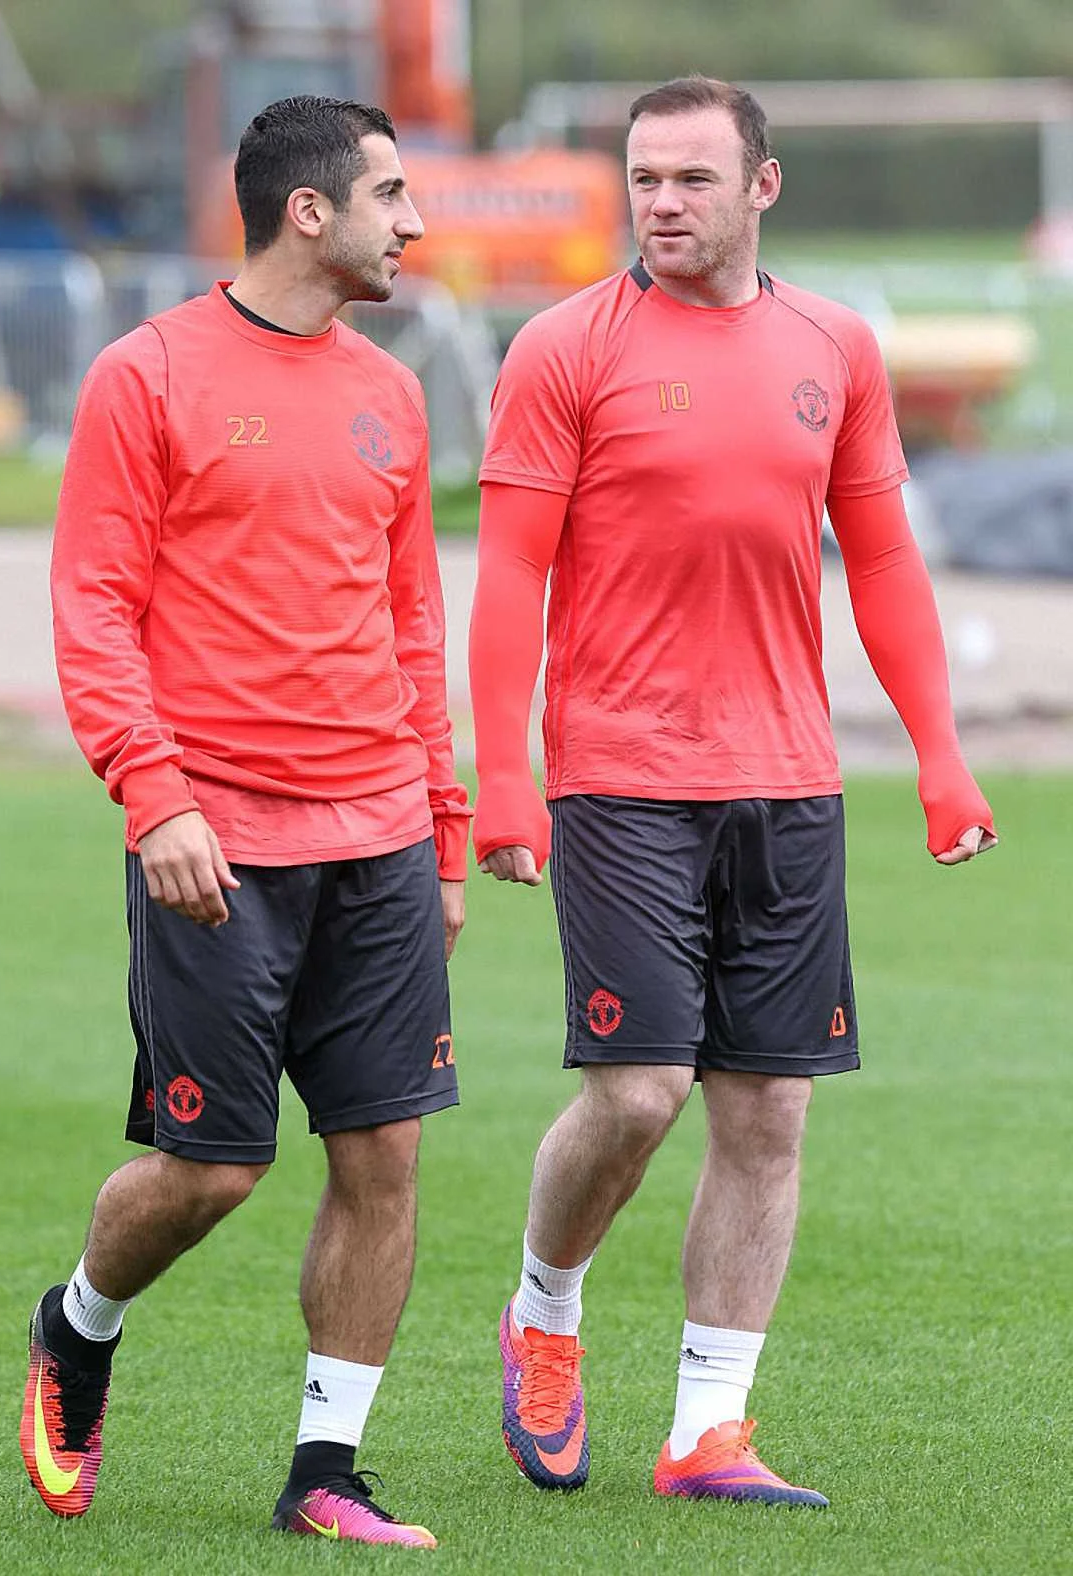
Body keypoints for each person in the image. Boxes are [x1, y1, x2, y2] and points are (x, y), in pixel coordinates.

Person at [468, 75, 996, 1507]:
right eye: (644, 178)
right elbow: (510, 571)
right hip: (621, 777)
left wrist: (940, 753)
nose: (661, 203)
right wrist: (502, 773)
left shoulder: (837, 346)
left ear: (762, 186)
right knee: (639, 1095)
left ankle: (708, 1430)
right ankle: (545, 1313)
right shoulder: (563, 347)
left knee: (768, 1118)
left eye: (692, 179)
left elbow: (881, 559)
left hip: (790, 783)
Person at [20, 95, 470, 1550]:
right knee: (215, 1167)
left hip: (381, 835)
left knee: (383, 1158)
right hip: (214, 840)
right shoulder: (146, 374)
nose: (415, 224)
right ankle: (78, 1324)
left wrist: (443, 825)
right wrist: (154, 795)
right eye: (391, 195)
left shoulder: (391, 391)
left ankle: (327, 1470)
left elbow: (412, 624)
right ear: (308, 210)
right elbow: (93, 608)